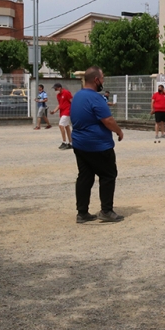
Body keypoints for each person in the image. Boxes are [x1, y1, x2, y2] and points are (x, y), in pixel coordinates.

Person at [71, 67, 125, 223]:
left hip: (80, 144)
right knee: (108, 175)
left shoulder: (78, 96)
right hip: (98, 145)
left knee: (85, 177)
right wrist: (119, 132)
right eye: (102, 78)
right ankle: (106, 211)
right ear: (96, 80)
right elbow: (107, 120)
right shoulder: (96, 98)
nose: (103, 81)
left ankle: (82, 213)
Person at [50, 82, 74, 150]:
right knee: (66, 127)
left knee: (61, 125)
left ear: (60, 88)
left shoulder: (66, 93)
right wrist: (54, 111)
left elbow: (72, 101)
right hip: (62, 112)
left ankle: (64, 142)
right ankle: (71, 143)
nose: (55, 90)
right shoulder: (58, 95)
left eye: (56, 88)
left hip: (67, 111)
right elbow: (59, 104)